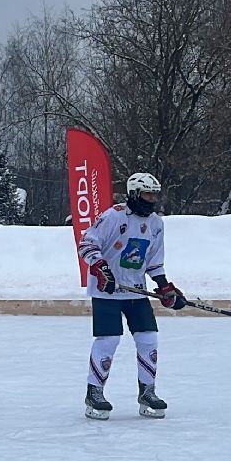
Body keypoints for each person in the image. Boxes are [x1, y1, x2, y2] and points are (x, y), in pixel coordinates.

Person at [77, 172, 185, 420]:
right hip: (107, 291)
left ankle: (147, 392)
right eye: (147, 194)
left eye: (154, 195)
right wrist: (100, 267)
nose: (152, 199)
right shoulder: (114, 216)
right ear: (134, 194)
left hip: (135, 289)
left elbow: (154, 262)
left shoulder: (156, 224)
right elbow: (87, 244)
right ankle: (94, 393)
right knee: (108, 340)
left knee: (149, 338)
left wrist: (164, 287)